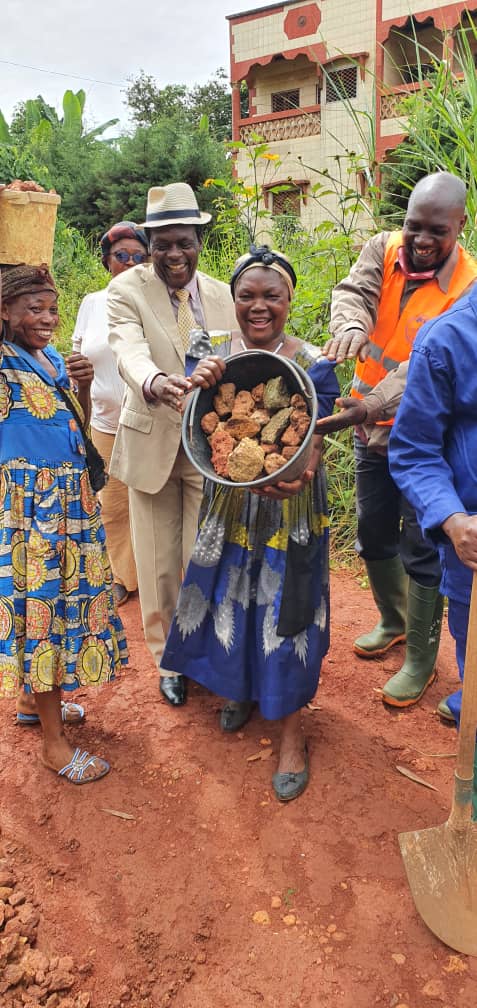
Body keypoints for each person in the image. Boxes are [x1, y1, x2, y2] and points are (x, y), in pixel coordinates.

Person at [161, 245, 339, 801]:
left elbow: (317, 439)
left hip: (292, 509)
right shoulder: (210, 351)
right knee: (229, 599)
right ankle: (238, 688)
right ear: (231, 300)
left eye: (272, 296)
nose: (258, 307)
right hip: (231, 506)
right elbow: (194, 420)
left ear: (290, 299)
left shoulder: (313, 361)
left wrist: (299, 470)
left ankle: (291, 733)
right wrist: (199, 380)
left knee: (288, 611)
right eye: (246, 296)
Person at [323, 172, 477, 707]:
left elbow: (420, 369)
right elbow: (354, 291)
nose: (422, 240)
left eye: (437, 230)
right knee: (372, 529)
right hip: (366, 426)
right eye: (414, 226)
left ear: (459, 225)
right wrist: (348, 324)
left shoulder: (466, 287)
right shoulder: (382, 248)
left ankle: (421, 658)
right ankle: (392, 619)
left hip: (422, 436)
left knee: (422, 544)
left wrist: (369, 405)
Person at [107, 182, 237, 708]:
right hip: (154, 440)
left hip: (210, 451)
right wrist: (155, 382)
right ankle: (166, 661)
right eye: (163, 244)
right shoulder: (126, 291)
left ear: (198, 239)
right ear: (150, 241)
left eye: (184, 242)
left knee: (201, 559)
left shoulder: (223, 295)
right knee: (158, 564)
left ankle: (200, 650)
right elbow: (127, 349)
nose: (174, 255)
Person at [0, 264, 128, 783]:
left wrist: (86, 382)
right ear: (4, 311)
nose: (47, 318)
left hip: (68, 504)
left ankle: (33, 701)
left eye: (52, 308)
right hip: (34, 514)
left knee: (56, 603)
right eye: (33, 308)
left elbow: (68, 418)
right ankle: (54, 747)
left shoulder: (49, 356)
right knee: (43, 612)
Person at [387, 283, 477, 816]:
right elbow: (414, 449)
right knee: (473, 650)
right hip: (473, 548)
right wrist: (452, 518)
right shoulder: (447, 340)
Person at [72, 221, 148, 608]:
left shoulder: (157, 300)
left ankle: (158, 577)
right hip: (104, 420)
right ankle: (123, 577)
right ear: (107, 261)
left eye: (139, 256)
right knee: (113, 505)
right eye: (122, 256)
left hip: (150, 423)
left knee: (151, 503)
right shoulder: (91, 303)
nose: (131, 262)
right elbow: (79, 354)